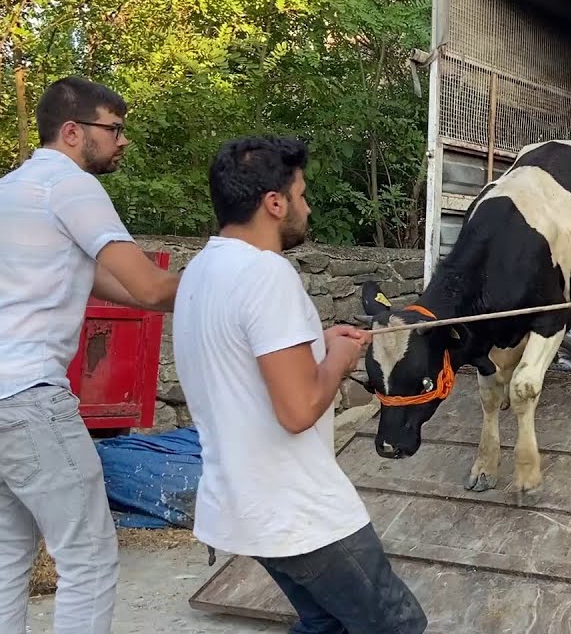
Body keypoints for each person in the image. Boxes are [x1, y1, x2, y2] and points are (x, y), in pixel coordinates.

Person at [0, 75, 180, 633]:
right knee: (88, 557)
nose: (122, 142)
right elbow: (147, 287)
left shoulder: (10, 188)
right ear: (72, 131)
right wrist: (227, 278)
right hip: (21, 397)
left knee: (4, 554)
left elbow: (99, 282)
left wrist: (179, 295)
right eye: (113, 129)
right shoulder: (72, 187)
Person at [173, 135, 427, 634]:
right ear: (274, 203)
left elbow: (241, 357)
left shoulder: (202, 270)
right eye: (302, 195)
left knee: (324, 621)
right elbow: (297, 410)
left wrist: (316, 341)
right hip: (298, 511)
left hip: (242, 501)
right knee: (398, 626)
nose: (306, 208)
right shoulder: (267, 275)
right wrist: (335, 358)